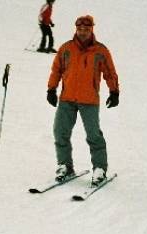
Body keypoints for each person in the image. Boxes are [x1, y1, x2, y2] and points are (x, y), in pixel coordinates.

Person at [46, 15, 120, 186]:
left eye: (86, 29)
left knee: (93, 135)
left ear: (91, 29)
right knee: (60, 132)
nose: (83, 32)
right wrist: (51, 89)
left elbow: (110, 72)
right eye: (80, 29)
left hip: (89, 100)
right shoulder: (66, 49)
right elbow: (56, 70)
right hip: (67, 99)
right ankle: (65, 165)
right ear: (76, 29)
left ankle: (100, 169)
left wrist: (114, 91)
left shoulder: (101, 51)